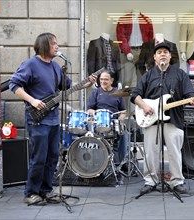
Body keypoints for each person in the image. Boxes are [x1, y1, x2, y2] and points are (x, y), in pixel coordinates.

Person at [9, 32, 96, 205]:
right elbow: (14, 84)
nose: (57, 46)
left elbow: (68, 86)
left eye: (57, 43)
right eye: (53, 43)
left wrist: (86, 84)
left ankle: (46, 191)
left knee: (53, 157)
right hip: (38, 120)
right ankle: (31, 192)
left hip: (54, 119)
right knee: (39, 158)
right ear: (43, 45)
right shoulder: (30, 64)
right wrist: (32, 100)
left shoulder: (56, 67)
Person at [130, 42, 194, 194]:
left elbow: (190, 93)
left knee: (174, 152)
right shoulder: (148, 75)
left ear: (169, 56)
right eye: (159, 52)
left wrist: (193, 98)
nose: (162, 54)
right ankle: (150, 181)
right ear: (155, 57)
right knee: (150, 152)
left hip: (173, 119)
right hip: (151, 120)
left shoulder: (180, 74)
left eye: (165, 52)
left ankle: (177, 181)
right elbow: (135, 96)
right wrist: (144, 106)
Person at [87, 70, 128, 177]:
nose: (103, 81)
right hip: (99, 123)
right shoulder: (96, 92)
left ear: (111, 81)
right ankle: (99, 165)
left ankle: (121, 163)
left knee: (125, 135)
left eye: (106, 79)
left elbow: (123, 111)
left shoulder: (118, 93)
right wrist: (94, 113)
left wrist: (121, 118)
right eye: (101, 79)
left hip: (114, 123)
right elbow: (90, 109)